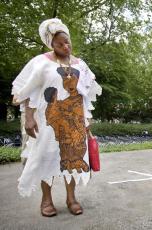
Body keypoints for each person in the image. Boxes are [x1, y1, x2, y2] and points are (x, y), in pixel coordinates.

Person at [11, 18, 102, 217]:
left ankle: (71, 198)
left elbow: (86, 94)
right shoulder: (40, 62)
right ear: (51, 43)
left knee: (73, 157)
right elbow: (24, 90)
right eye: (60, 43)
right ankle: (46, 200)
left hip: (75, 121)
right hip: (47, 122)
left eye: (67, 42)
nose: (65, 46)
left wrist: (87, 119)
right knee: (47, 157)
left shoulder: (81, 65)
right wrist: (29, 118)